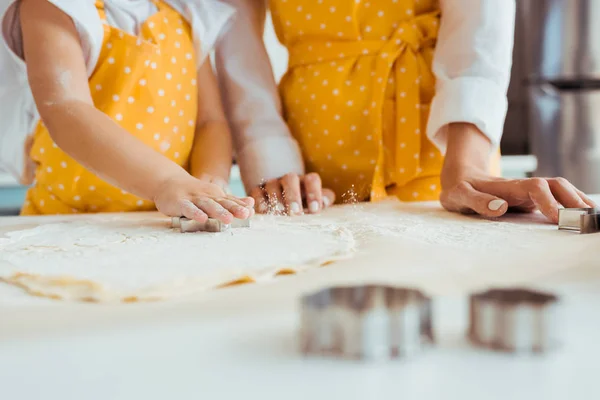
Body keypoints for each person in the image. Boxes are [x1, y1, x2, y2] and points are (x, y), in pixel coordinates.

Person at [216, 0, 595, 223]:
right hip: (309, 170)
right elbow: (235, 36)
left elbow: (479, 16)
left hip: (443, 155)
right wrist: (274, 166)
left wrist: (467, 164)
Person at [0, 0, 254, 224]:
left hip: (162, 223)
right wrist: (166, 181)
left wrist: (207, 184)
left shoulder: (186, 12)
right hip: (67, 222)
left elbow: (210, 122)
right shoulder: (52, 5)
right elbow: (66, 108)